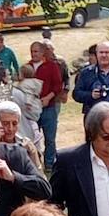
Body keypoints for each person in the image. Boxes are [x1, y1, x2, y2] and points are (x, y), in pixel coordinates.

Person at [30, 41, 64, 169]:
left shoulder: (51, 66)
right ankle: (35, 163)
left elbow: (58, 85)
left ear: (43, 52)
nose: (34, 54)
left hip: (48, 108)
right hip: (33, 110)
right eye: (32, 51)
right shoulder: (28, 67)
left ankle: (49, 164)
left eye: (36, 51)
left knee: (50, 138)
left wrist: (48, 97)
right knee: (33, 138)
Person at [0, 100, 43, 173]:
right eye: (5, 123)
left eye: (14, 123)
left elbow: (40, 177)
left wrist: (33, 154)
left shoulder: (26, 145)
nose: (10, 128)